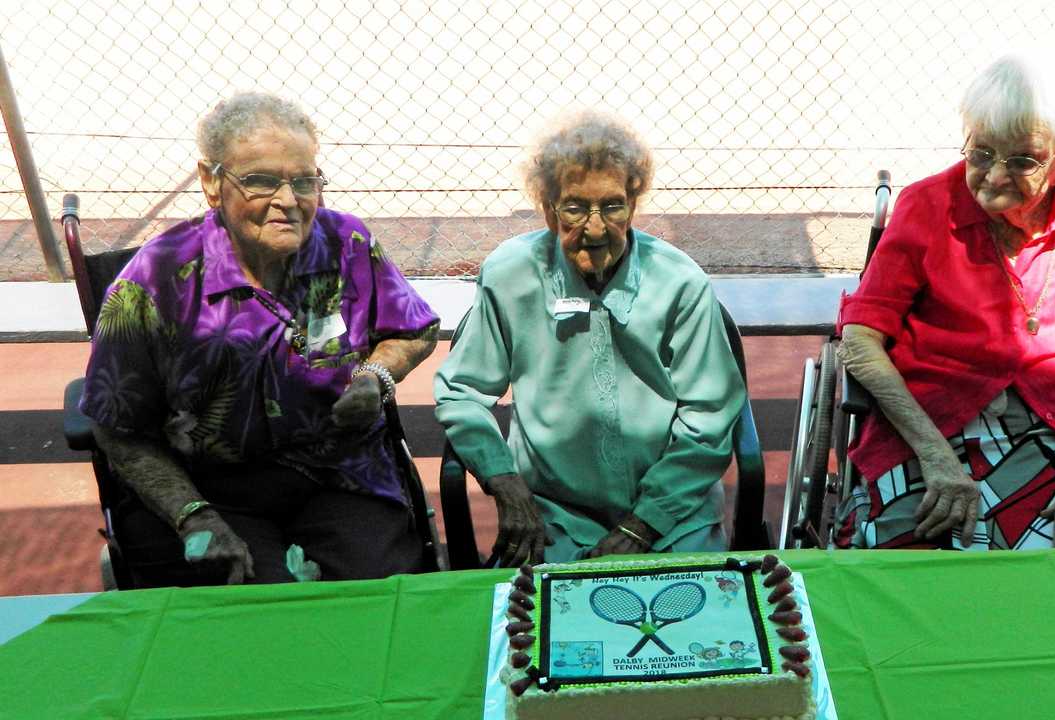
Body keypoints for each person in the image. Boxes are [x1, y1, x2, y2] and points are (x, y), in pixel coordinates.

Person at [80, 92, 440, 586]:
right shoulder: (154, 281)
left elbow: (414, 328)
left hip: (339, 473)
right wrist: (193, 516)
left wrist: (376, 376)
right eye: (261, 181)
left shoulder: (347, 244)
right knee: (258, 606)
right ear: (211, 182)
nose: (288, 201)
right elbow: (115, 428)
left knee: (376, 595)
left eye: (304, 181)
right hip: (210, 487)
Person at [834, 53, 1055, 550]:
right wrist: (935, 456)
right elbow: (861, 337)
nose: (995, 176)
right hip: (930, 420)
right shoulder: (926, 206)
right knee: (896, 549)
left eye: (1022, 160)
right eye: (981, 153)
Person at [434, 110, 746, 566]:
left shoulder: (680, 282)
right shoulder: (511, 275)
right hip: (554, 513)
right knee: (534, 625)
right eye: (575, 208)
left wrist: (643, 524)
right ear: (546, 209)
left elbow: (711, 415)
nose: (596, 229)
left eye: (612, 206)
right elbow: (460, 391)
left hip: (672, 514)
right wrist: (503, 481)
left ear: (633, 205)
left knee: (695, 627)